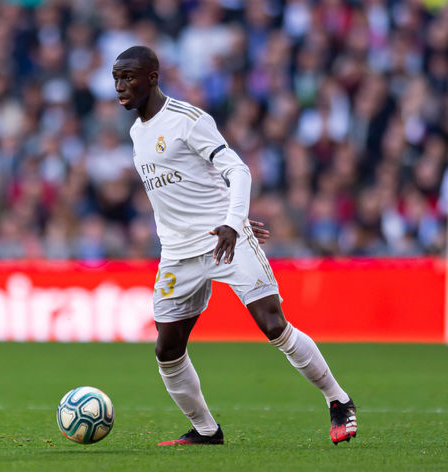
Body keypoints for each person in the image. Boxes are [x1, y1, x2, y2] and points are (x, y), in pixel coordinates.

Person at [112, 46, 357, 446]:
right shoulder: (137, 133)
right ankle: (207, 431)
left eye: (128, 77)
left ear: (153, 77)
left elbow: (237, 169)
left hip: (223, 240)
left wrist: (232, 222)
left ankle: (338, 400)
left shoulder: (188, 120)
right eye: (116, 78)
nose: (120, 86)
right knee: (167, 349)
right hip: (177, 254)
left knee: (273, 325)